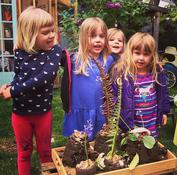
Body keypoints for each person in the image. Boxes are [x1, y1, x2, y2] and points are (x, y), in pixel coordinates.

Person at [0, 7, 63, 175]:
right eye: (45, 32)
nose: (52, 35)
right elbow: (20, 76)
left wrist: (13, 91)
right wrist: (10, 86)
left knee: (45, 153)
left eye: (52, 30)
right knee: (24, 153)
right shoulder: (20, 52)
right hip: (20, 114)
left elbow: (43, 79)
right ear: (30, 35)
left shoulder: (54, 53)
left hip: (42, 113)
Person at [61, 17, 114, 141]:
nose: (98, 40)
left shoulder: (108, 60)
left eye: (101, 36)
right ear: (84, 38)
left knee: (99, 143)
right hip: (79, 108)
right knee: (78, 144)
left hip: (99, 108)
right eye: (92, 36)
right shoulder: (75, 59)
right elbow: (52, 55)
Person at [110, 32, 170, 138]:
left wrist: (164, 112)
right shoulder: (122, 73)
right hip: (131, 121)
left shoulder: (157, 71)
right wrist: (114, 117)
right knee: (132, 146)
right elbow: (113, 96)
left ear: (152, 55)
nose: (141, 58)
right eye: (137, 53)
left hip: (151, 120)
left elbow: (163, 93)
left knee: (150, 144)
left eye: (146, 54)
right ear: (130, 52)